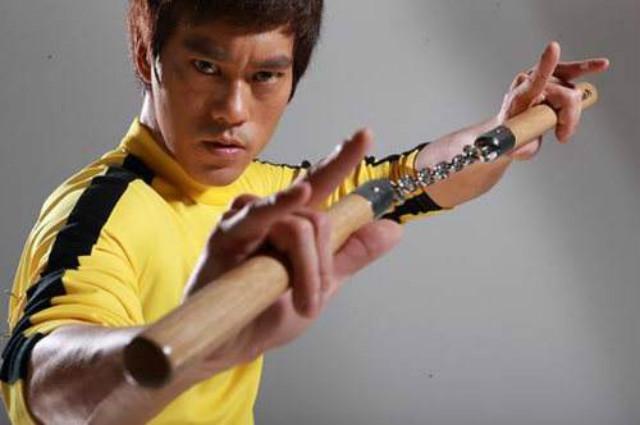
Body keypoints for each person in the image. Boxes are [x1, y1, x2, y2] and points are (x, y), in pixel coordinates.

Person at [0, 1, 609, 424]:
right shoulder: (101, 213)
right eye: (206, 67)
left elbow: (417, 179)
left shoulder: (272, 193)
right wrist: (195, 347)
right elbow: (42, 381)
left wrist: (506, 131)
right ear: (146, 53)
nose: (232, 110)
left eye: (265, 76)